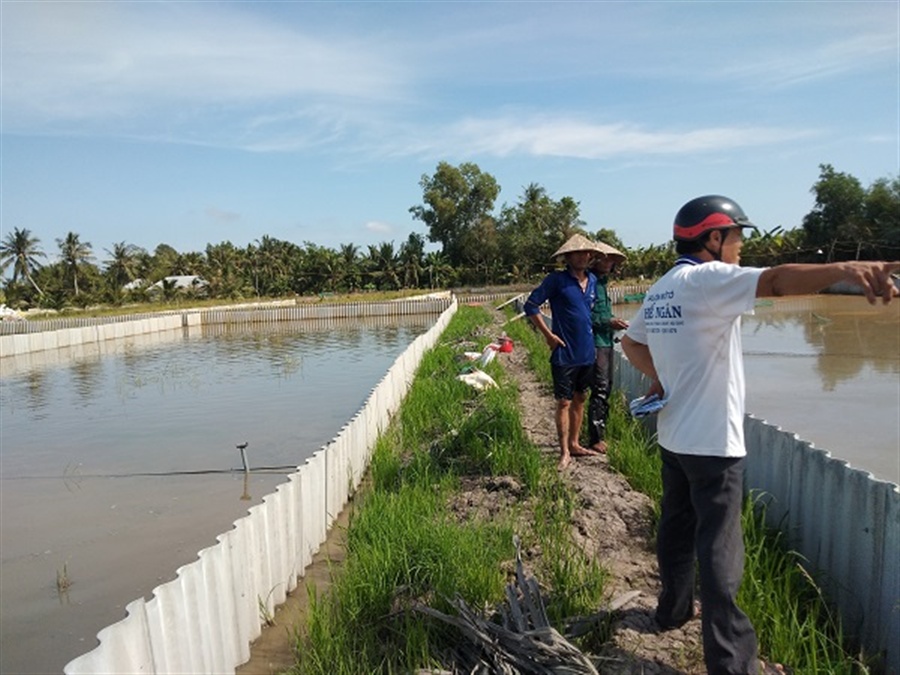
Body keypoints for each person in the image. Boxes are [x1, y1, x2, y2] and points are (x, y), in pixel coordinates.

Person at [620, 194, 898, 675]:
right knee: (720, 551)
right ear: (712, 238)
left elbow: (630, 341)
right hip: (713, 443)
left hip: (674, 436)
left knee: (677, 528)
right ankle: (731, 664)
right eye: (737, 237)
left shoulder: (665, 286)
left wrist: (663, 380)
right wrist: (847, 269)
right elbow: (775, 281)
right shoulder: (709, 279)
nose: (742, 247)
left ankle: (673, 610)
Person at [524, 233, 603, 469]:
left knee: (581, 397)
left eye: (586, 252)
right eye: (577, 253)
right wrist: (549, 336)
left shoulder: (593, 282)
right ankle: (564, 451)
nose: (583, 256)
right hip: (564, 352)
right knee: (563, 402)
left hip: (587, 352)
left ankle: (576, 443)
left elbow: (588, 314)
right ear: (567, 257)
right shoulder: (556, 280)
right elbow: (531, 305)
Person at [587, 244, 630, 454]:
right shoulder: (590, 282)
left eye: (611, 260)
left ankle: (600, 432)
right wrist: (610, 321)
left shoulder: (603, 283)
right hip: (596, 341)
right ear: (595, 260)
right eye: (604, 259)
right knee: (600, 387)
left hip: (606, 340)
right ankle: (595, 438)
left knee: (607, 385)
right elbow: (589, 314)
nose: (608, 263)